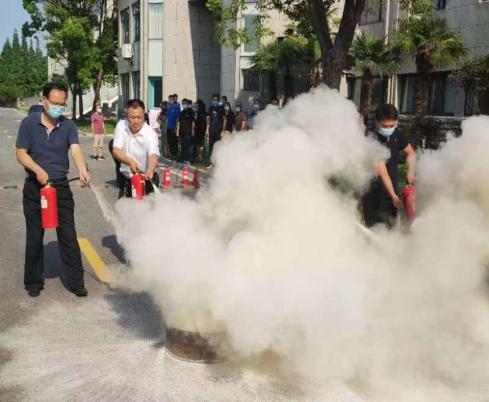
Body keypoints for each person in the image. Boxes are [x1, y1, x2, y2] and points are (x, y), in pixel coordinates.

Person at [15, 82, 90, 298]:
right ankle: (33, 281)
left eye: (62, 104)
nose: (58, 108)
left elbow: (75, 149)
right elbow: (21, 153)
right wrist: (37, 170)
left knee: (68, 234)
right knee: (35, 235)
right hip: (34, 186)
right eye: (55, 103)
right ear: (44, 100)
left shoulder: (68, 126)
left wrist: (82, 169)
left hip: (60, 187)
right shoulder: (29, 123)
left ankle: (76, 282)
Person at [362, 104, 416, 228]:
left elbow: (411, 152)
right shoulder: (371, 138)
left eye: (392, 125)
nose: (389, 129)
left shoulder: (397, 134)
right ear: (377, 122)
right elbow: (382, 171)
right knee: (376, 229)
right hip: (374, 194)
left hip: (392, 192)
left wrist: (410, 171)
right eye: (384, 126)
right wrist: (393, 195)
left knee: (391, 228)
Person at [112, 99, 160, 198]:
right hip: (127, 178)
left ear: (144, 117)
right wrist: (130, 162)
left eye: (139, 117)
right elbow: (116, 151)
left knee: (148, 206)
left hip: (146, 178)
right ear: (126, 117)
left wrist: (150, 169)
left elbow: (153, 155)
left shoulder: (150, 133)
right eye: (132, 117)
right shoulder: (121, 126)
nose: (136, 121)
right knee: (124, 206)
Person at [206, 94, 224, 165]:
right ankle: (211, 161)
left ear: (218, 101)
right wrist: (207, 129)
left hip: (219, 130)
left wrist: (222, 130)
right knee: (211, 145)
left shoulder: (221, 109)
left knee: (218, 145)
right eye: (213, 100)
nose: (214, 101)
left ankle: (218, 161)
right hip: (211, 130)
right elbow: (208, 119)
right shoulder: (210, 108)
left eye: (216, 100)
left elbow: (224, 120)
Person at [177, 98, 195, 164]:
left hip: (188, 131)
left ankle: (188, 159)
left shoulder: (190, 112)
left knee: (187, 145)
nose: (184, 105)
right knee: (182, 145)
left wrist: (192, 130)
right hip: (181, 131)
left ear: (188, 104)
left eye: (185, 104)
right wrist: (177, 130)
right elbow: (179, 122)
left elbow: (193, 122)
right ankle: (183, 158)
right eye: (183, 104)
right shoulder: (181, 112)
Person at [192, 99, 207, 164]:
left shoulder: (199, 112)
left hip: (199, 130)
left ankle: (199, 156)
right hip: (201, 130)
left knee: (197, 144)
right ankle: (199, 156)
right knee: (200, 144)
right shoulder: (203, 112)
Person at [166, 94, 181, 159]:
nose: (170, 101)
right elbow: (167, 118)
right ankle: (171, 154)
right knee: (169, 142)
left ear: (174, 99)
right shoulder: (168, 108)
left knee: (174, 142)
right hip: (168, 128)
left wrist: (177, 128)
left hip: (173, 128)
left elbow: (178, 118)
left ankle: (175, 155)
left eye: (171, 99)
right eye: (169, 99)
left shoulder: (176, 107)